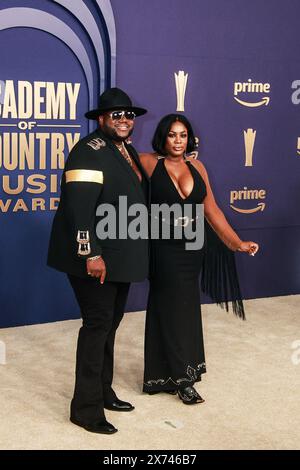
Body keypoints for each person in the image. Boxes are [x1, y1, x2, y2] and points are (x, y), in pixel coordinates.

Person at [47, 88, 149, 434]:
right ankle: (85, 409)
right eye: (116, 115)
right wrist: (90, 253)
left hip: (117, 255)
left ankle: (103, 392)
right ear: (102, 119)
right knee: (97, 326)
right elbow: (79, 209)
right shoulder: (87, 152)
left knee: (110, 325)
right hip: (93, 257)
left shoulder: (124, 149)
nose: (124, 120)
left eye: (128, 115)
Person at [139, 114, 259, 404]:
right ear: (162, 137)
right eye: (172, 135)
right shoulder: (147, 162)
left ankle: (164, 375)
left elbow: (212, 210)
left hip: (192, 250)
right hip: (163, 249)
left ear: (189, 138)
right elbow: (117, 168)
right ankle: (182, 379)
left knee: (184, 308)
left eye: (183, 135)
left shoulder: (197, 166)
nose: (178, 141)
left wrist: (236, 242)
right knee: (168, 308)